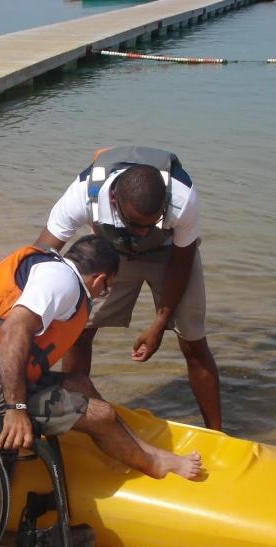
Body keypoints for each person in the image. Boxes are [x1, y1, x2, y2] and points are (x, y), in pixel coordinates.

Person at [0, 234, 202, 480]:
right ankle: (154, 465)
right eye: (106, 288)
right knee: (101, 415)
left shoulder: (50, 269)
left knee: (79, 383)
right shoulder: (62, 282)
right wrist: (16, 409)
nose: (101, 294)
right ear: (98, 279)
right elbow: (14, 329)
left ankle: (146, 451)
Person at [35, 146, 222, 431]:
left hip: (171, 255)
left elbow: (182, 262)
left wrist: (159, 323)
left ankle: (217, 433)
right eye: (135, 223)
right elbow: (41, 254)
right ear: (112, 199)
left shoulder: (182, 198)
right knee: (77, 330)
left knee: (193, 341)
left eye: (153, 223)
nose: (143, 232)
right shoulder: (84, 194)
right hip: (114, 252)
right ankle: (74, 421)